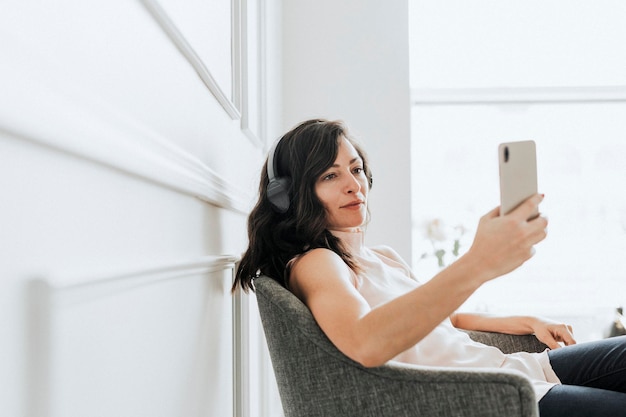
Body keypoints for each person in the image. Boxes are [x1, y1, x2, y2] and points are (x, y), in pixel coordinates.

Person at [233, 118, 626, 416]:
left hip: (517, 368)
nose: (353, 185)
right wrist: (478, 263)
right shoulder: (317, 263)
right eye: (330, 175)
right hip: (491, 394)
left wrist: (526, 321)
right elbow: (366, 343)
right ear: (289, 196)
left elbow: (444, 317)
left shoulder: (381, 256)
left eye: (355, 169)